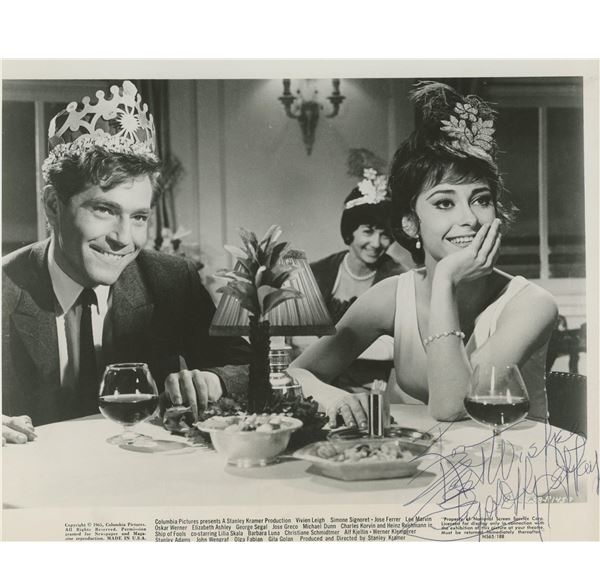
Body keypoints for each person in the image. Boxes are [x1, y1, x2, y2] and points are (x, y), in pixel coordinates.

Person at [290, 81, 558, 428]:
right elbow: (298, 373)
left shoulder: (531, 304)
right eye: (444, 203)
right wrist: (335, 398)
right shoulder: (391, 296)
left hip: (514, 459)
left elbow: (452, 406)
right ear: (410, 223)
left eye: (481, 200)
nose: (469, 218)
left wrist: (444, 279)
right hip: (428, 458)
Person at [2, 81, 250, 444]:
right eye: (104, 210)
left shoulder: (169, 279)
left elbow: (251, 367)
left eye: (139, 217)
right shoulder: (5, 289)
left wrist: (215, 379)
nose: (124, 238)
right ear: (53, 205)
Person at [307, 166, 407, 391]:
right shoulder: (317, 273)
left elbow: (397, 348)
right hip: (318, 385)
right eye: (368, 231)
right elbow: (296, 339)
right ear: (350, 232)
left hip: (373, 389)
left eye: (385, 235)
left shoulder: (399, 278)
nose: (376, 243)